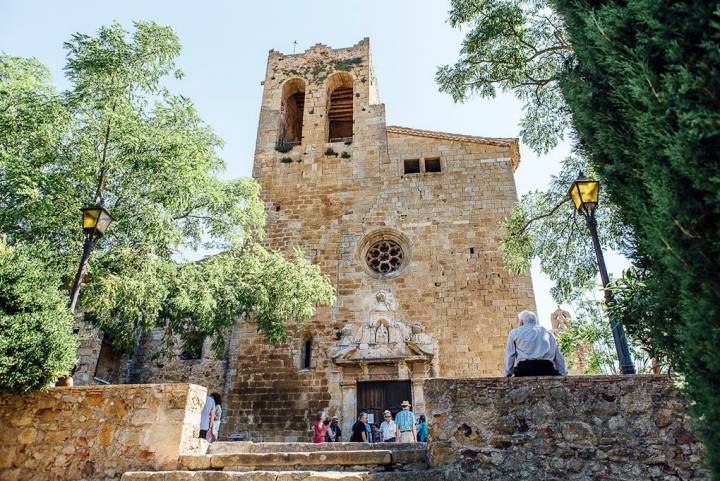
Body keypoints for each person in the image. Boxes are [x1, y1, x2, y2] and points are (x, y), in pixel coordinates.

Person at [503, 310, 567, 377]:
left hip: (525, 370)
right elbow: (558, 356)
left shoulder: (514, 333)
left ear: (521, 321)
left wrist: (508, 373)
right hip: (547, 369)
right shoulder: (548, 333)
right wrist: (562, 373)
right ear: (535, 321)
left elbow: (510, 355)